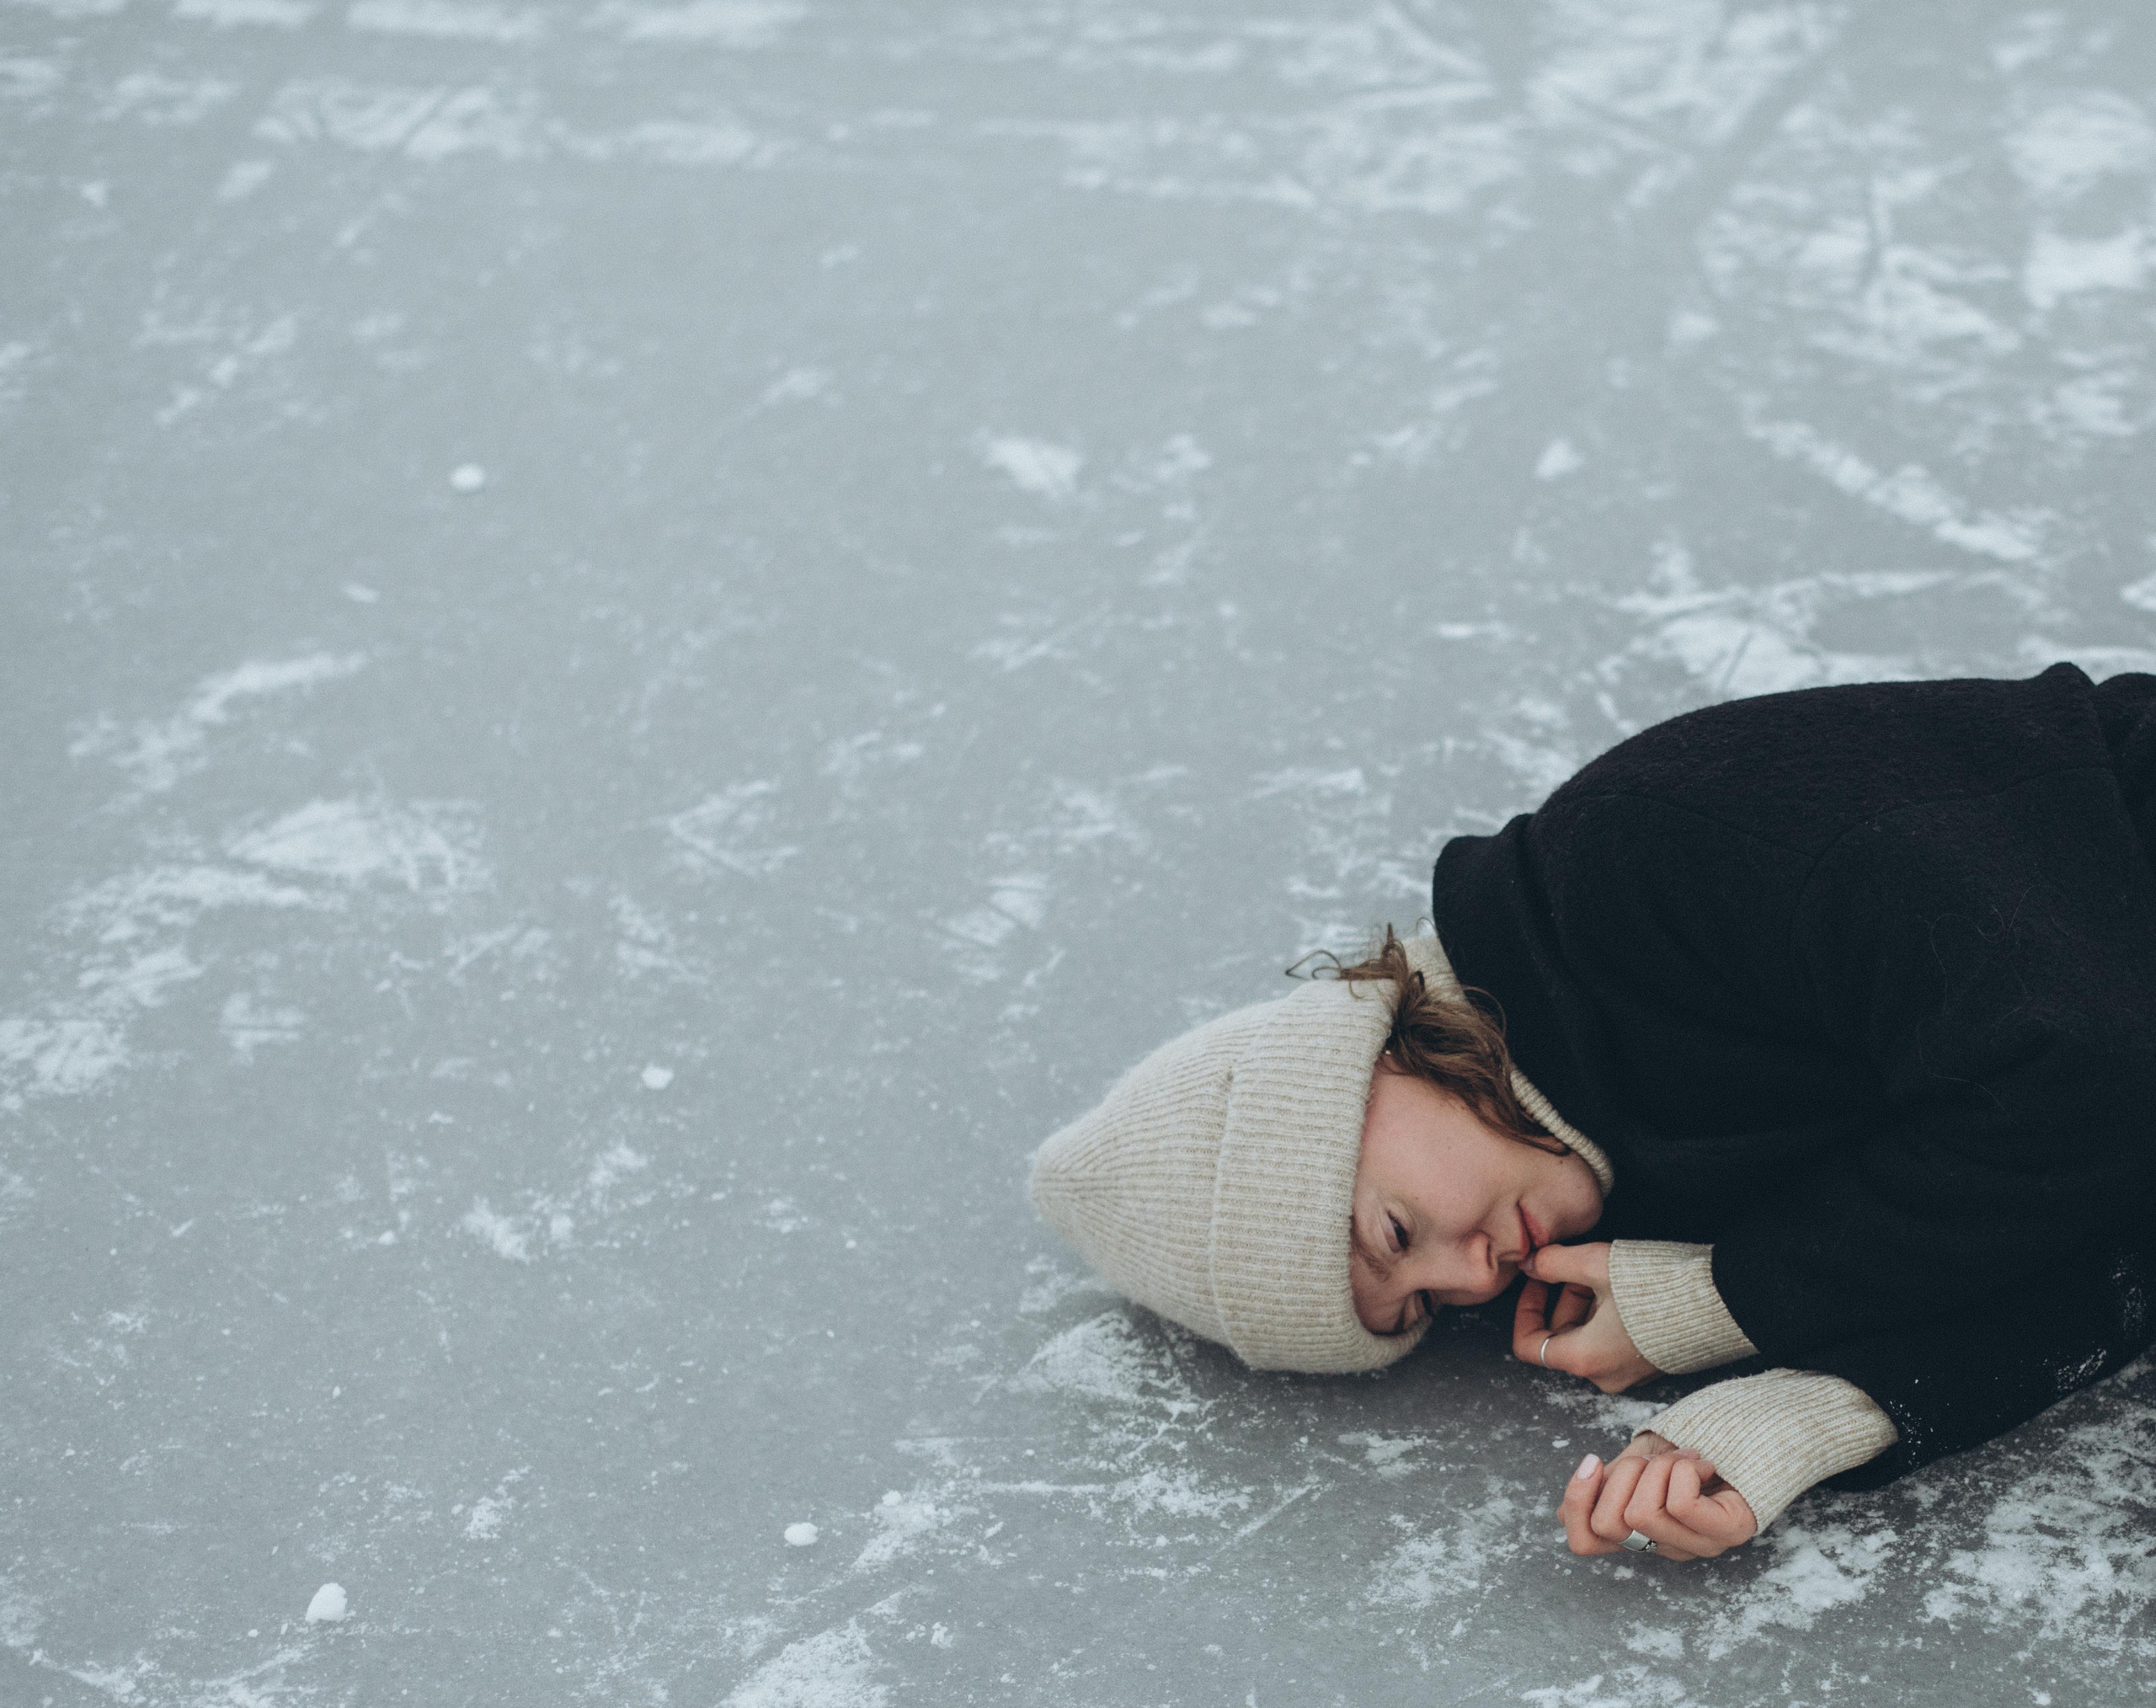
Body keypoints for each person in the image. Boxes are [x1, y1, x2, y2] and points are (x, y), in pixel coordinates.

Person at [1028, 663, 2156, 1561]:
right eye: (1419, 1307)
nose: (1474, 1279)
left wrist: (1737, 1296)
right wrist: (1818, 1412)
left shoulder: (1637, 860)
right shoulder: (1619, 1163)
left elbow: (2093, 1080)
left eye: (1395, 1232)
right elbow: (2110, 1228)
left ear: (1361, 1071)